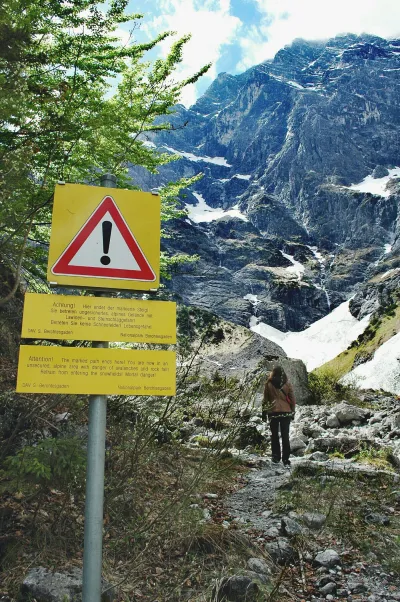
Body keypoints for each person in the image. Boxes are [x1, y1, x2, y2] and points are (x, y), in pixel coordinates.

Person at [263, 365, 296, 467]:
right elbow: (293, 399)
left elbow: (265, 400)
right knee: (285, 436)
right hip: (286, 412)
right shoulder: (287, 383)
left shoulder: (268, 384)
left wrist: (264, 413)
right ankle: (286, 459)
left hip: (273, 412)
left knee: (274, 435)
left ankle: (275, 456)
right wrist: (293, 411)